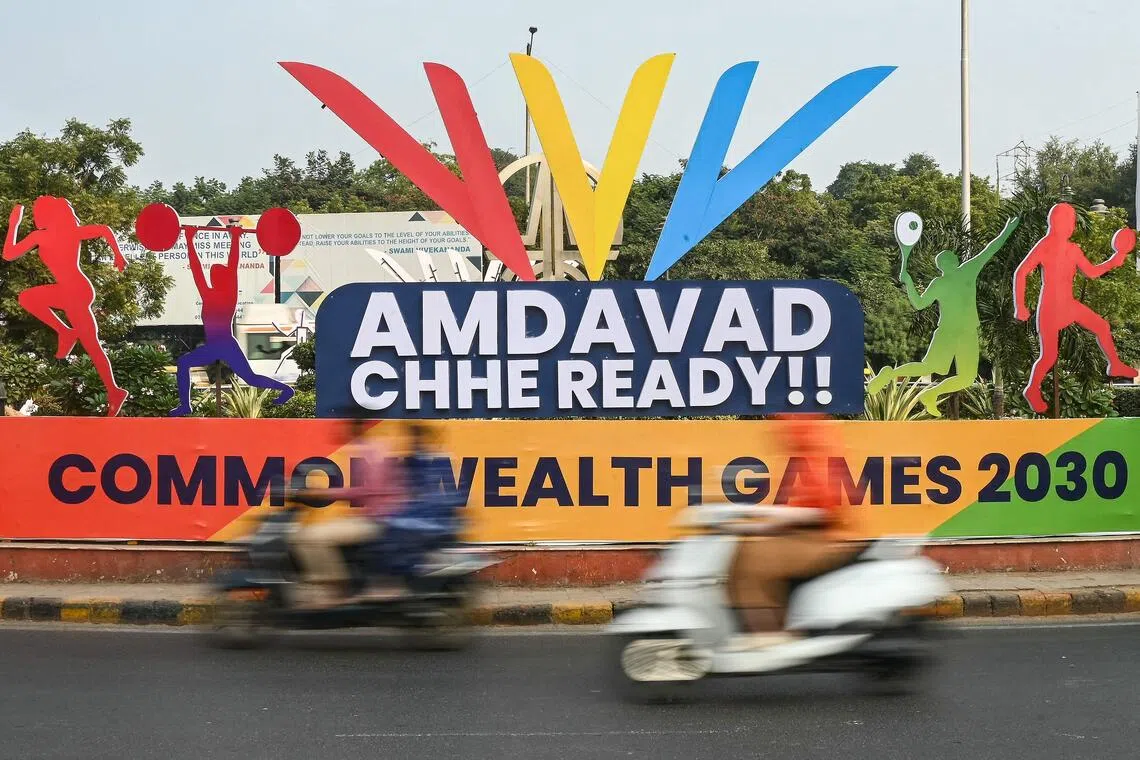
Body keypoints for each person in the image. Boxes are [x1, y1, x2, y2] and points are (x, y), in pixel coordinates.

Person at [726, 413, 862, 647]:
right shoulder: (800, 460)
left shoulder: (819, 458)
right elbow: (794, 509)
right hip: (809, 535)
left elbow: (823, 512)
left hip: (829, 540)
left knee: (755, 561)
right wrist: (758, 522)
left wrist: (766, 517)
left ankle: (768, 632)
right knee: (747, 547)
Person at [868, 213, 1019, 417]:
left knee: (966, 378)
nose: (951, 261)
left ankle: (929, 394)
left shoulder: (965, 272)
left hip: (966, 332)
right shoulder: (947, 279)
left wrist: (1007, 231)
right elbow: (919, 304)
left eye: (951, 258)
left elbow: (990, 249)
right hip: (949, 331)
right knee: (931, 367)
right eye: (946, 260)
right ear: (942, 266)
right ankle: (891, 374)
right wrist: (909, 283)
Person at [3, 196, 129, 416]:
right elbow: (9, 254)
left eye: (38, 211)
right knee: (90, 343)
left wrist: (118, 255)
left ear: (50, 213)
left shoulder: (70, 232)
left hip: (76, 290)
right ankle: (114, 390)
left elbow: (104, 230)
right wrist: (14, 224)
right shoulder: (39, 235)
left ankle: (66, 333)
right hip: (68, 291)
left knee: (28, 298)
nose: (36, 216)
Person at [1015, 202, 1137, 413]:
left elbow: (1091, 272)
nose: (1072, 227)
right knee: (1049, 356)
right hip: (1050, 308)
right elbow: (1021, 273)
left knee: (1102, 326)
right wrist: (1020, 306)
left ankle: (1115, 364)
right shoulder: (1045, 245)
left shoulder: (1073, 249)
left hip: (1068, 305)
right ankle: (1032, 389)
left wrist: (1111, 262)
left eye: (1073, 223)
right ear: (1056, 222)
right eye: (1069, 222)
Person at [169, 223, 293, 416]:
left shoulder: (226, 295)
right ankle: (185, 405)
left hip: (226, 344)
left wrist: (234, 238)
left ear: (221, 278)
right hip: (216, 346)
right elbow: (196, 269)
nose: (210, 276)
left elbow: (231, 264)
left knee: (250, 378)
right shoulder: (210, 294)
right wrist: (189, 239)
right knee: (184, 363)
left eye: (213, 274)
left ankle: (286, 389)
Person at [291, 416, 406, 608]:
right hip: (375, 518)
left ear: (355, 426)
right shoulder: (368, 449)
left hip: (378, 521)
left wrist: (323, 493)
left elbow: (368, 490)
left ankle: (333, 589)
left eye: (345, 425)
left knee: (308, 537)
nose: (341, 430)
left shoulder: (373, 452)